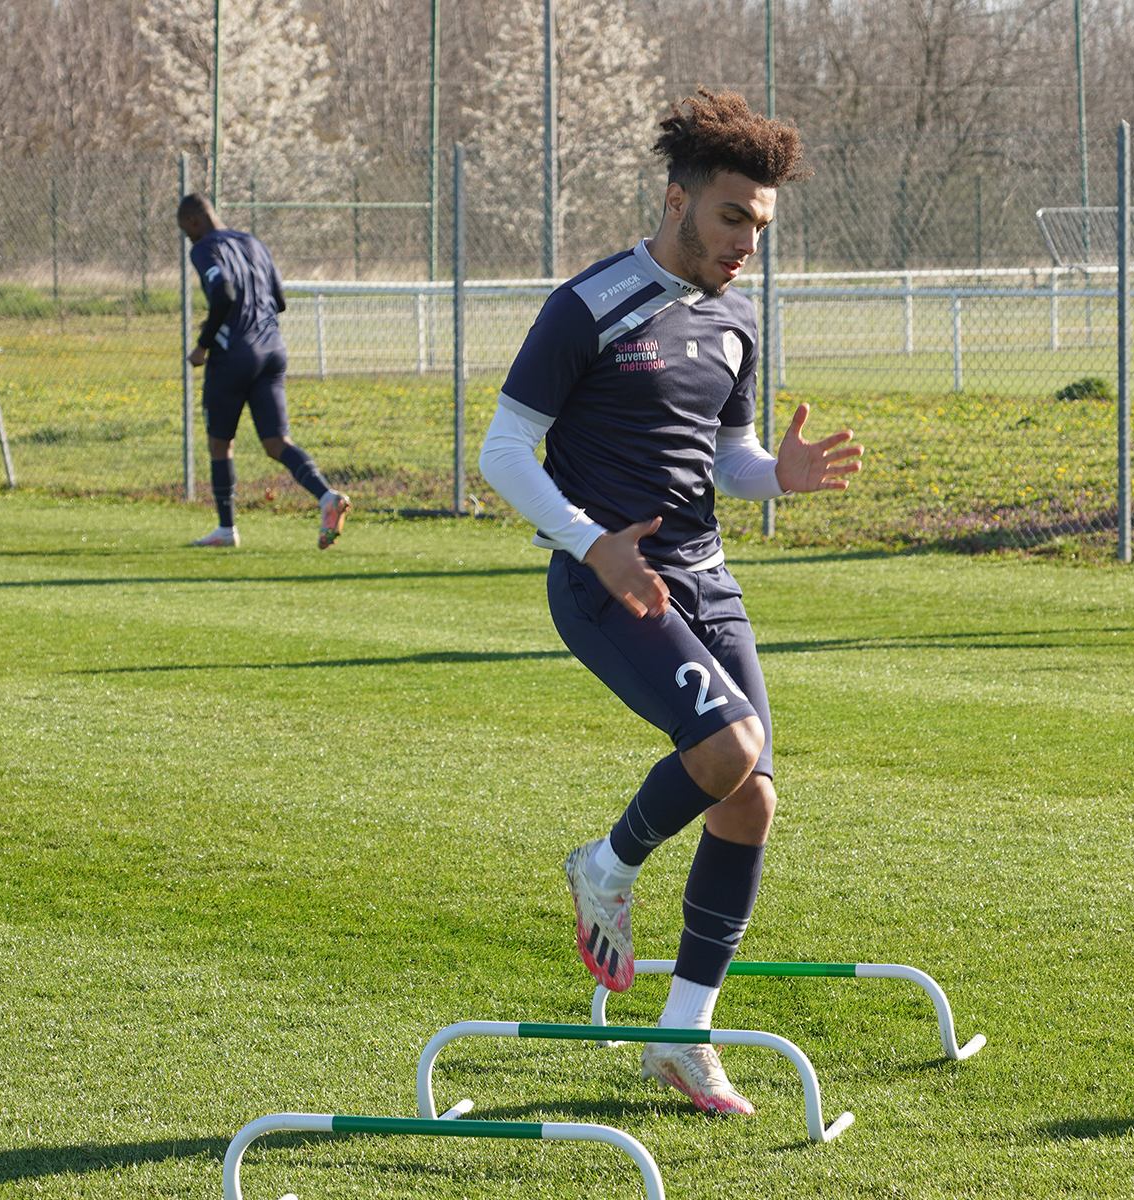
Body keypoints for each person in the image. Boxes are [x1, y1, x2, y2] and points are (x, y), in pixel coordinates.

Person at [478, 90, 862, 1115]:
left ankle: (681, 1040)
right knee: (727, 752)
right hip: (606, 582)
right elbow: (503, 450)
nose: (748, 243)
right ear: (677, 198)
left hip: (703, 573)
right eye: (733, 217)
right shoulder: (588, 304)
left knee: (752, 799)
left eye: (763, 227)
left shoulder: (735, 314)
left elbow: (724, 456)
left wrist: (776, 476)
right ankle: (604, 865)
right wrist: (592, 545)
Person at [177, 194, 350, 549]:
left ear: (194, 221)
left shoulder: (205, 248)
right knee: (276, 442)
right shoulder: (253, 242)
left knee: (220, 444)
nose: (188, 240)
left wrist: (203, 345)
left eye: (186, 232)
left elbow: (223, 293)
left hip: (235, 354)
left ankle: (226, 530)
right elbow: (280, 299)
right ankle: (326, 496)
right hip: (273, 349)